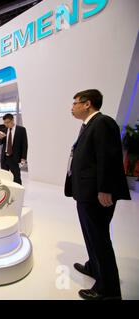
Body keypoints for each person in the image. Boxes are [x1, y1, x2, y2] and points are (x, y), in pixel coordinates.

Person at [65, 89, 130, 300]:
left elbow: (108, 158)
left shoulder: (103, 123)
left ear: (87, 104)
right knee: (91, 234)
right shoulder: (88, 125)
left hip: (96, 194)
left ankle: (108, 290)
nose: (72, 107)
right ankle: (94, 267)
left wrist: (105, 189)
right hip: (85, 192)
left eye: (75, 103)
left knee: (100, 238)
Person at [0, 113, 28, 185]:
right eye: (4, 123)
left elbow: (24, 144)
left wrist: (23, 158)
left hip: (14, 158)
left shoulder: (21, 130)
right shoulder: (4, 130)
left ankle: (18, 192)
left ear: (12, 120)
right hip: (4, 158)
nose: (6, 124)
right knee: (4, 177)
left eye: (7, 122)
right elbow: (0, 143)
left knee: (16, 178)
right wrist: (0, 138)